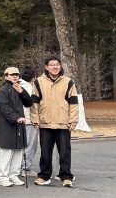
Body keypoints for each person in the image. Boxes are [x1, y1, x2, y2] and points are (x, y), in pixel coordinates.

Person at [30, 57, 79, 187]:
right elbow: (34, 103)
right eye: (52, 65)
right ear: (46, 67)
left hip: (63, 123)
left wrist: (73, 120)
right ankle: (44, 176)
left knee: (64, 152)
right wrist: (35, 120)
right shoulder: (38, 82)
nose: (55, 67)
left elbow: (74, 103)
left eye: (57, 65)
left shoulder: (68, 82)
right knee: (45, 152)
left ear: (60, 66)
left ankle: (66, 176)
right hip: (45, 122)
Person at [0, 68, 33, 187]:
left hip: (19, 124)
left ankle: (13, 175)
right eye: (12, 75)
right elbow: (3, 107)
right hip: (7, 124)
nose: (15, 77)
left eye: (17, 75)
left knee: (18, 150)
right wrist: (15, 118)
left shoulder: (18, 88)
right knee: (6, 151)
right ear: (6, 76)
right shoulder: (3, 90)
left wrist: (22, 92)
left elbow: (29, 103)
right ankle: (2, 177)